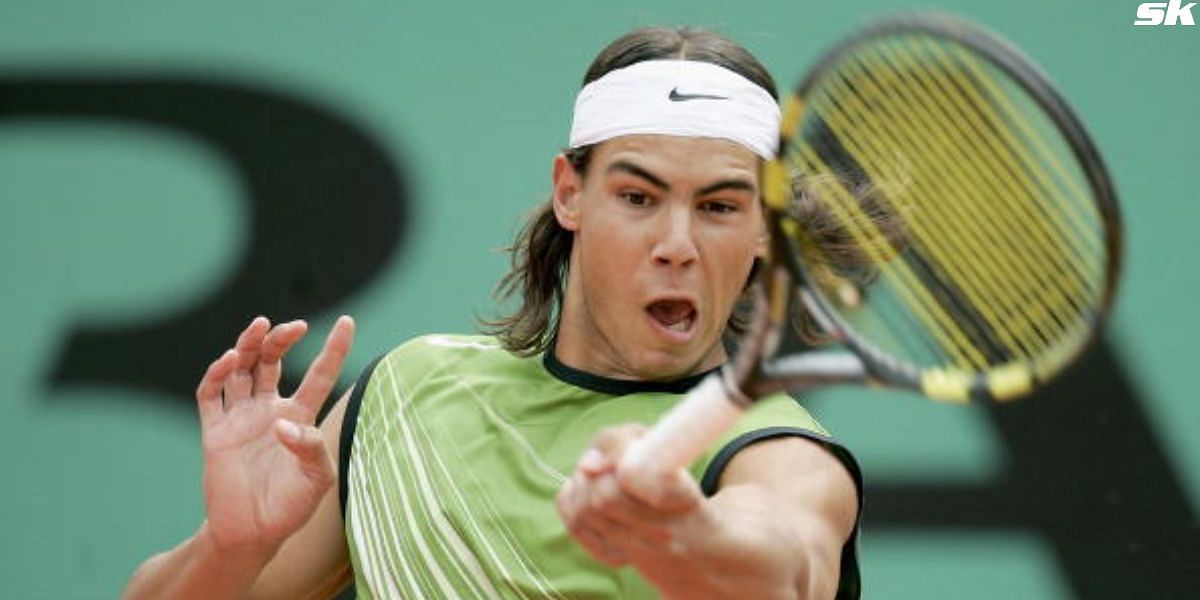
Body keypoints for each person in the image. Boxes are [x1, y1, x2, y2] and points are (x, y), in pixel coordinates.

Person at [124, 26, 863, 600]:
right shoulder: (406, 397)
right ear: (569, 192)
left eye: (720, 207)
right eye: (638, 197)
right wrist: (232, 545)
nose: (678, 245)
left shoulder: (780, 456)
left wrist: (685, 531)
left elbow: (786, 567)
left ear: (764, 227)